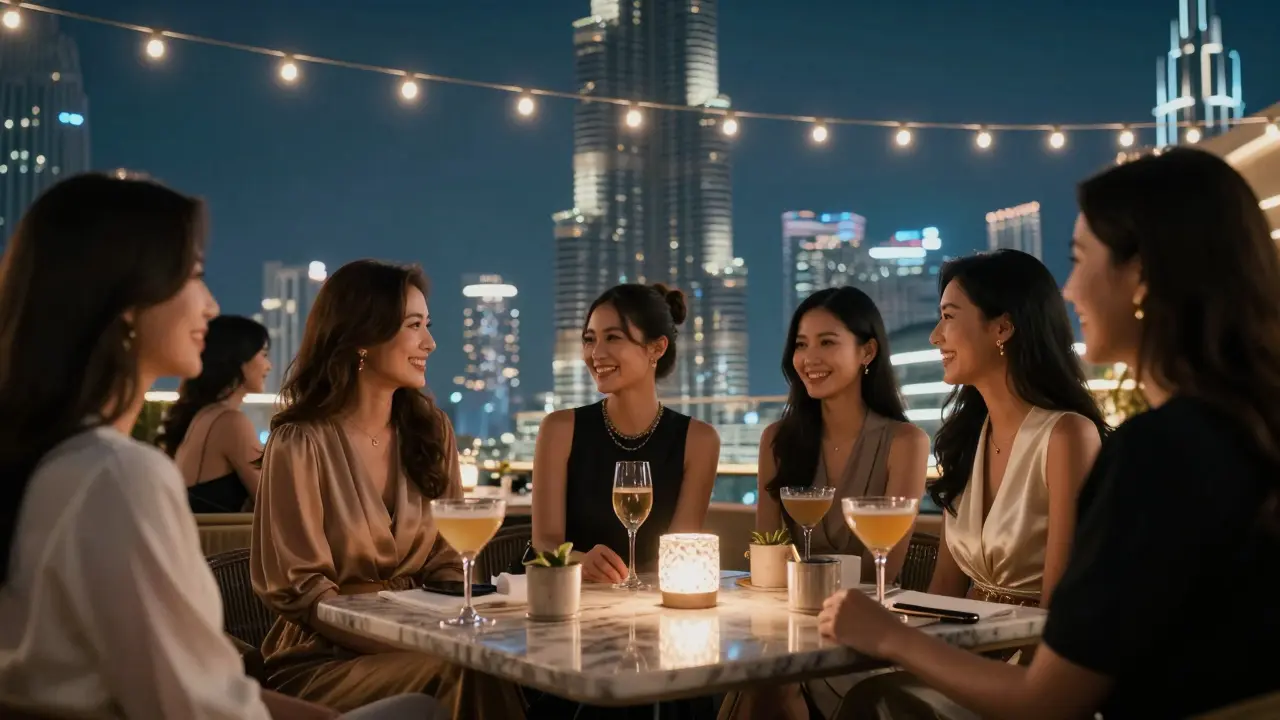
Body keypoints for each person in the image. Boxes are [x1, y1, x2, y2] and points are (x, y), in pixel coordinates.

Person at [818, 148, 1280, 719]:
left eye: (1080, 258)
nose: (1069, 289)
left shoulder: (1162, 453)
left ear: (1140, 276)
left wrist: (889, 636)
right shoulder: (1241, 436)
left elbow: (1049, 703)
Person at [0, 175, 434, 719]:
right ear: (126, 302)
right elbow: (193, 705)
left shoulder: (54, 463)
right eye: (194, 277)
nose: (210, 306)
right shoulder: (118, 474)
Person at [250, 259, 526, 717]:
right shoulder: (300, 441)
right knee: (463, 670)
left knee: (492, 663)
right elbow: (302, 592)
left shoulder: (432, 431)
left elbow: (445, 562)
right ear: (362, 336)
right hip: (322, 658)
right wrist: (414, 638)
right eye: (413, 326)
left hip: (422, 635)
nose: (430, 343)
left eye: (428, 325)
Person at [723, 287, 930, 719]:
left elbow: (884, 569)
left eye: (827, 342)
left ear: (867, 351)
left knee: (771, 685)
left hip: (862, 636)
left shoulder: (905, 443)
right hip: (787, 631)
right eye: (801, 344)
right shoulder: (777, 441)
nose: (809, 358)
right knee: (767, 677)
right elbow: (768, 553)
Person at [924, 249, 1105, 612]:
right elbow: (942, 592)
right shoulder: (966, 438)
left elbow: (1059, 609)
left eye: (948, 317)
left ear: (1002, 328)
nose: (935, 336)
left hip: (1034, 656)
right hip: (965, 648)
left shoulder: (1067, 437)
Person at [532, 283, 721, 584]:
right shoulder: (559, 430)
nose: (596, 353)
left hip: (655, 603)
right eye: (589, 339)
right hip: (570, 599)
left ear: (656, 348)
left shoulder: (699, 441)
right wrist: (581, 560)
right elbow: (544, 543)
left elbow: (680, 549)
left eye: (613, 338)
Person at [160, 314, 271, 513]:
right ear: (239, 360)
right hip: (221, 544)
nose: (268, 366)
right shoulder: (229, 422)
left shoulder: (206, 415)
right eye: (263, 354)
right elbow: (275, 502)